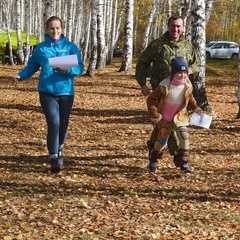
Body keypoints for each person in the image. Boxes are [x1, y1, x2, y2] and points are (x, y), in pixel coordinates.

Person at [12, 16, 84, 173]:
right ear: (47, 30)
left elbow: (80, 67)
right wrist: (20, 75)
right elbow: (31, 66)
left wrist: (68, 70)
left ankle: (59, 149)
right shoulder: (41, 48)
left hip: (66, 91)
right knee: (54, 123)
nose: (55, 31)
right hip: (47, 92)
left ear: (62, 29)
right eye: (52, 28)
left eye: (58, 28)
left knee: (63, 124)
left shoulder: (70, 46)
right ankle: (53, 157)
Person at [135, 15, 199, 166]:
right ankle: (179, 157)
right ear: (168, 26)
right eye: (173, 26)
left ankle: (154, 148)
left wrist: (189, 70)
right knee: (165, 125)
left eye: (178, 26)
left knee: (170, 126)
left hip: (181, 96)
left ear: (183, 28)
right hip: (162, 96)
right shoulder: (158, 45)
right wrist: (143, 84)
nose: (175, 29)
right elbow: (142, 63)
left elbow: (196, 65)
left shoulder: (188, 47)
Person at [147, 57, 203, 173]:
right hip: (165, 119)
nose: (182, 76)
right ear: (173, 74)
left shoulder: (187, 86)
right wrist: (155, 115)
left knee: (184, 137)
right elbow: (151, 99)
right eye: (179, 73)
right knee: (162, 142)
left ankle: (184, 163)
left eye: (185, 73)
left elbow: (190, 99)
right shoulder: (164, 86)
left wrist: (196, 108)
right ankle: (153, 158)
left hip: (180, 118)